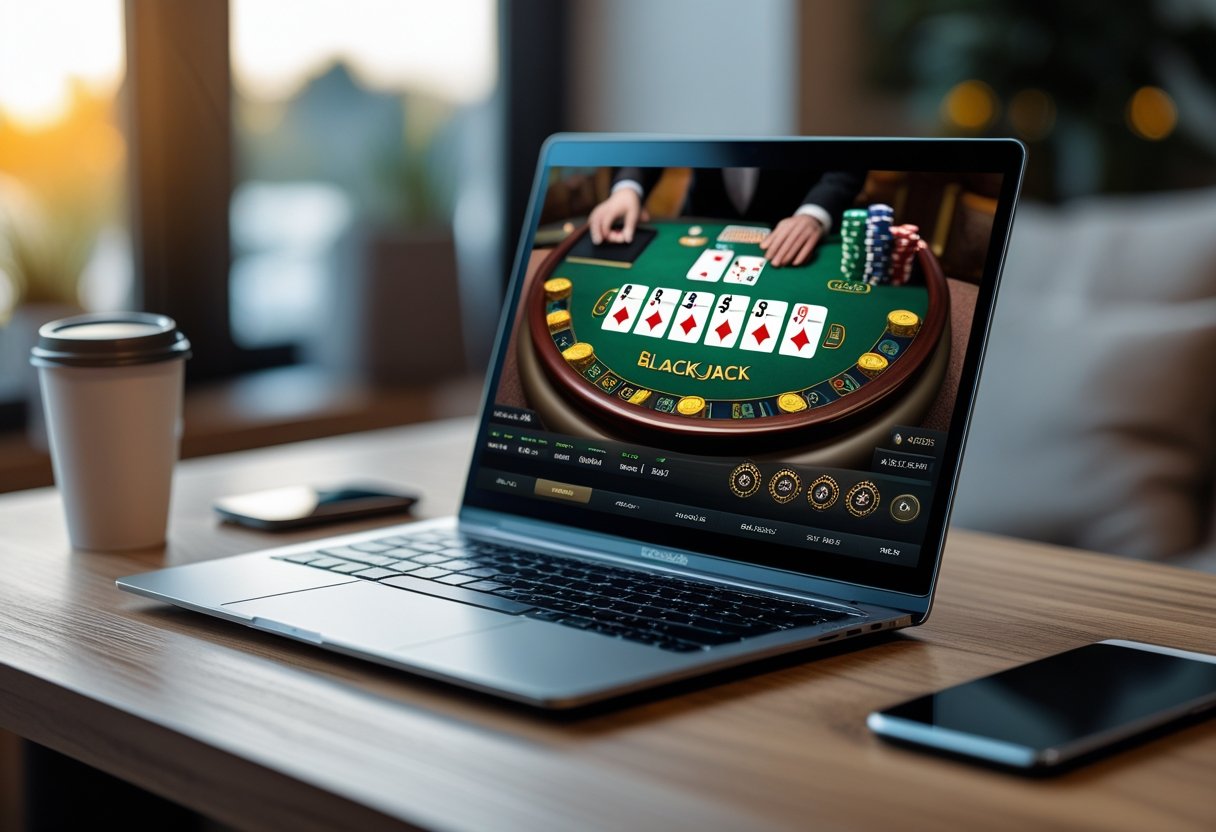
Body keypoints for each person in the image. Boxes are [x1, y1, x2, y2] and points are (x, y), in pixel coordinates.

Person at [588, 167, 866, 267]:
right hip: (702, 221)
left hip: (789, 233)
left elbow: (850, 159)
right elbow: (653, 135)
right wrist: (627, 189)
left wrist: (812, 215)